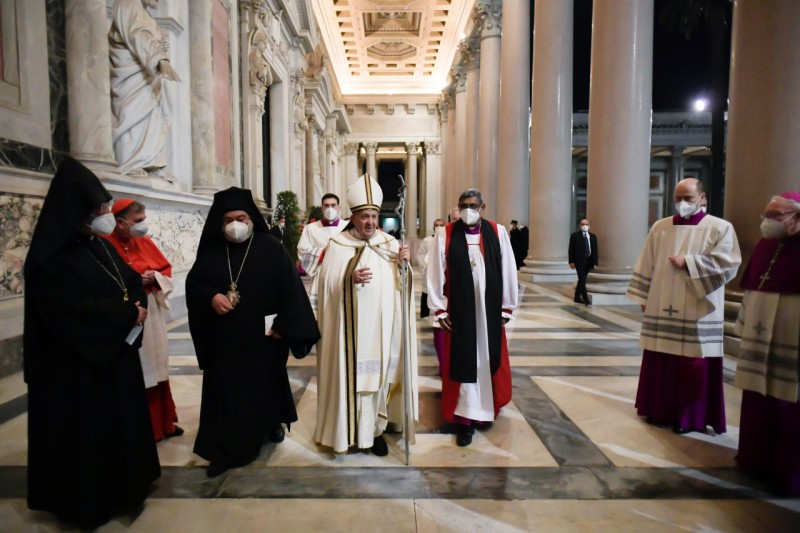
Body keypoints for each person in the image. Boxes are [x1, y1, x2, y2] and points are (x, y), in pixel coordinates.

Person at [23, 157, 159, 528]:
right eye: (98, 209)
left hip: (113, 355)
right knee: (86, 437)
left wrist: (136, 303)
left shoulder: (98, 245)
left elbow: (128, 279)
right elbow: (72, 311)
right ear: (76, 210)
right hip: (77, 371)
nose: (104, 215)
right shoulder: (50, 259)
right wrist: (128, 315)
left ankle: (126, 487)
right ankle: (89, 502)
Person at [187, 187, 320, 477]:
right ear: (219, 223)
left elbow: (292, 292)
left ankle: (270, 423)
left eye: (241, 218)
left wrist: (284, 325)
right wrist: (211, 297)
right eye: (228, 220)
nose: (235, 224)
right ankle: (224, 450)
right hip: (224, 341)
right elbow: (194, 285)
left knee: (264, 388)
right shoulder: (211, 251)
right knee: (224, 394)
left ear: (251, 219)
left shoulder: (271, 248)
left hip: (263, 340)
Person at [626, 178, 741, 434]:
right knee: (662, 358)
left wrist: (690, 262)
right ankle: (659, 410)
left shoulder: (720, 227)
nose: (682, 203)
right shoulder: (661, 227)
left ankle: (690, 418)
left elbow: (728, 264)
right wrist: (644, 296)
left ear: (702, 198)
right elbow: (646, 262)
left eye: (688, 198)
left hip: (699, 308)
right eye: (678, 197)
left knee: (694, 363)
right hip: (662, 302)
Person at [314, 174, 418, 456]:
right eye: (364, 217)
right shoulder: (338, 245)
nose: (370, 222)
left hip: (382, 332)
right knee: (355, 383)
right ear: (353, 218)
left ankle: (375, 431)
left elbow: (403, 288)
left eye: (373, 216)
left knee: (379, 383)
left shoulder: (390, 244)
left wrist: (404, 267)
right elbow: (325, 286)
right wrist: (348, 277)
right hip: (351, 335)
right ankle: (349, 433)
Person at [427, 188, 519, 447]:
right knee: (463, 361)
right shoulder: (445, 234)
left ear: (482, 207)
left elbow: (508, 268)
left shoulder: (497, 232)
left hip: (489, 312)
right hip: (460, 313)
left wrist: (506, 307)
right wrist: (440, 308)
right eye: (463, 205)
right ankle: (465, 419)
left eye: (473, 206)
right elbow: (435, 273)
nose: (468, 210)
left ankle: (486, 409)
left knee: (487, 360)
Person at [733, 191, 800, 495]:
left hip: (791, 333)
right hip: (759, 335)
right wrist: (744, 321)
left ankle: (788, 472)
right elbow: (751, 288)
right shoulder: (764, 245)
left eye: (776, 215)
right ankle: (754, 459)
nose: (768, 221)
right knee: (758, 398)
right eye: (767, 214)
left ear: (796, 216)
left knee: (789, 404)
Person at [104, 198, 183, 442]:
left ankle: (164, 423)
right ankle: (144, 428)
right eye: (138, 221)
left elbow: (165, 269)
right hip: (126, 315)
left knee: (157, 364)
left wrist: (155, 276)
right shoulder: (104, 244)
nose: (143, 225)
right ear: (120, 222)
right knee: (137, 370)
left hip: (151, 312)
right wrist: (136, 280)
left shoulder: (143, 241)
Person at [109, 0, 181, 176]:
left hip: (148, 76)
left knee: (154, 116)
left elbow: (150, 39)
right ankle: (130, 160)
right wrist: (160, 59)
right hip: (131, 77)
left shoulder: (148, 16)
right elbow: (137, 35)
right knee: (132, 113)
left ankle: (151, 162)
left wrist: (162, 49)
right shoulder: (127, 3)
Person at [297, 193, 347, 308]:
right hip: (320, 275)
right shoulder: (311, 228)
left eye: (333, 205)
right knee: (322, 311)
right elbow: (302, 251)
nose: (330, 209)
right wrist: (323, 252)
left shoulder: (347, 227)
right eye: (326, 205)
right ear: (322, 208)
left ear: (338, 208)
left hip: (342, 274)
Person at [417, 218, 446, 319]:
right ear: (433, 227)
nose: (439, 227)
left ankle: (442, 316)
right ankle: (424, 316)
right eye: (436, 225)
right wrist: (426, 269)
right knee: (427, 293)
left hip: (442, 273)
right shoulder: (427, 240)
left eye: (441, 225)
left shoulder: (447, 239)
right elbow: (421, 255)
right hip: (430, 272)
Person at [568, 218, 599, 305]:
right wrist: (571, 261)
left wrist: (595, 262)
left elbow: (595, 250)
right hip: (579, 261)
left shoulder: (593, 236)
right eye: (583, 224)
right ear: (580, 225)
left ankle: (577, 297)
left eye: (586, 224)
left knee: (582, 280)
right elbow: (571, 249)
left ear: (589, 226)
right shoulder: (575, 236)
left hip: (589, 262)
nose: (585, 226)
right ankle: (586, 299)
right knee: (582, 280)